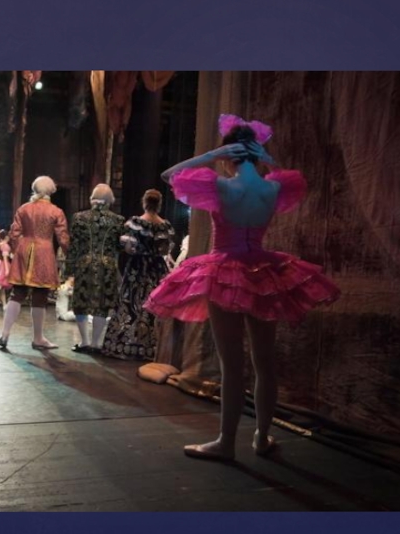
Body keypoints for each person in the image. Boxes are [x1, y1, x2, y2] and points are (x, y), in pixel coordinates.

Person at [144, 114, 340, 461]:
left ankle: (226, 443)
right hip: (264, 272)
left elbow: (169, 176)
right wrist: (269, 161)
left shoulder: (222, 186)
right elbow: (288, 177)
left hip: (225, 273)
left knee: (231, 365)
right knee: (265, 363)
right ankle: (261, 437)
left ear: (228, 155)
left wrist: (210, 156)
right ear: (255, 153)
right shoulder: (273, 187)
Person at [100, 189, 174, 361]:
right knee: (155, 303)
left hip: (138, 266)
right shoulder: (165, 225)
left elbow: (127, 248)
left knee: (132, 301)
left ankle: (128, 342)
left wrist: (137, 250)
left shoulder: (136, 223)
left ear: (144, 202)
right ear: (159, 204)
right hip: (156, 267)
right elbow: (165, 251)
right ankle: (153, 346)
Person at [0, 176, 70, 350]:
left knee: (17, 293)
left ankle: (5, 334)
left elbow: (14, 234)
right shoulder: (55, 211)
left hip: (24, 250)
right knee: (40, 296)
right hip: (44, 252)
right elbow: (62, 237)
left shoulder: (24, 208)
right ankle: (38, 338)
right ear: (51, 191)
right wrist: (70, 254)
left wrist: (17, 251)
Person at [65, 183, 126, 353]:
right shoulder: (118, 220)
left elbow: (74, 246)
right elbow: (119, 246)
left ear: (92, 198)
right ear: (110, 199)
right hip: (107, 266)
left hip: (84, 264)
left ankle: (84, 341)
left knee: (80, 302)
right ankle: (96, 343)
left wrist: (69, 270)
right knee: (102, 305)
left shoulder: (79, 217)